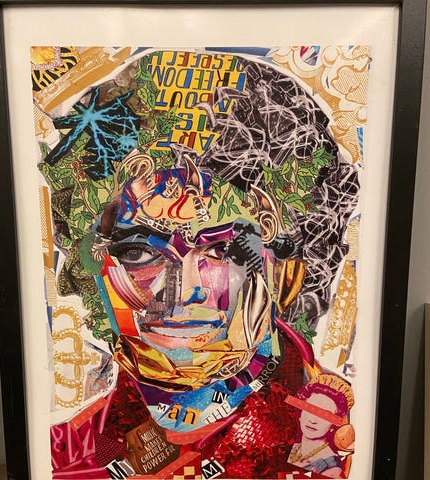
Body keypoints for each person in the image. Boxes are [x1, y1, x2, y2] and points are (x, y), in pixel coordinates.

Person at [38, 49, 359, 479]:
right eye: (138, 253)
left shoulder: (327, 449)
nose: (182, 289)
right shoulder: (65, 456)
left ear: (286, 266)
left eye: (223, 251)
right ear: (91, 269)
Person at [287, 374, 355, 478]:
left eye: (324, 415)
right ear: (301, 412)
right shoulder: (295, 448)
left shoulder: (330, 468)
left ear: (333, 424)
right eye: (310, 409)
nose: (313, 420)